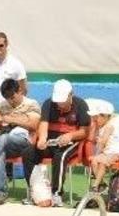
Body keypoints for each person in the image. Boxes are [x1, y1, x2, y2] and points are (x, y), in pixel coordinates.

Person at [21, 79, 90, 207]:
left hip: (71, 142)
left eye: (62, 101)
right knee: (28, 153)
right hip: (51, 140)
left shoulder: (81, 105)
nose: (59, 104)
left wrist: (70, 136)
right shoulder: (48, 103)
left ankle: (56, 193)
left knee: (60, 156)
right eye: (58, 101)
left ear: (70, 95)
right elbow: (43, 124)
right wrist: (42, 139)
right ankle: (36, 191)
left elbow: (84, 132)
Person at [0, 32, 27, 106]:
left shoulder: (16, 64)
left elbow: (23, 89)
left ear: (6, 44)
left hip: (11, 109)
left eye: (0, 45)